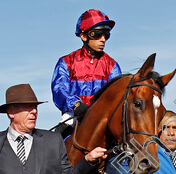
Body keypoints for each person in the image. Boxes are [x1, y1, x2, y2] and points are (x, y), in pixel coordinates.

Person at [51, 9, 122, 137]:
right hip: (73, 115)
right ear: (83, 36)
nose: (103, 39)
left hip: (103, 117)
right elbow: (59, 89)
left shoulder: (113, 66)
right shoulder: (66, 62)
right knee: (55, 143)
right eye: (97, 34)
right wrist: (76, 104)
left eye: (106, 35)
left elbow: (117, 95)